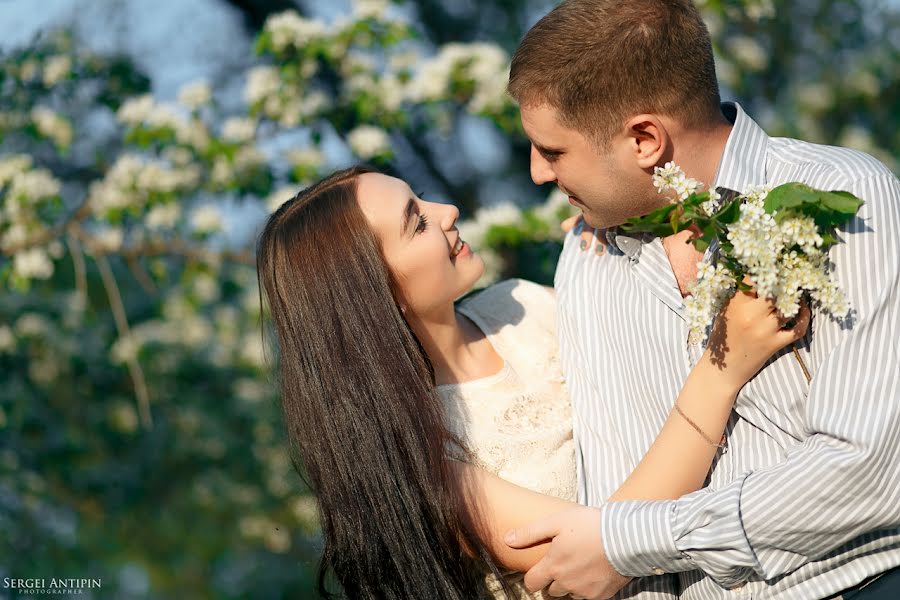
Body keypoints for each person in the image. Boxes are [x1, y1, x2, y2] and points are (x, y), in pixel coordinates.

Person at [256, 165, 810, 599]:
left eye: (422, 198)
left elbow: (644, 368)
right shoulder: (423, 455)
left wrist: (613, 259)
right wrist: (723, 369)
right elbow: (610, 545)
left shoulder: (517, 302)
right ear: (375, 292)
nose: (447, 210)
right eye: (416, 222)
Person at [503, 0, 900, 598]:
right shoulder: (589, 257)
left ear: (645, 139)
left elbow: (871, 472)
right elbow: (616, 483)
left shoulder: (845, 199)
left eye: (553, 151)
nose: (536, 173)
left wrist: (633, 541)